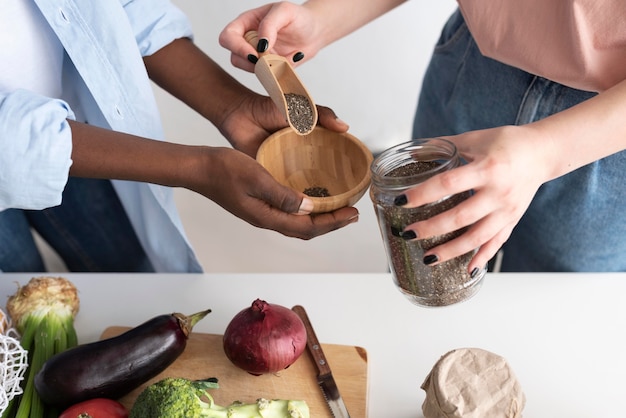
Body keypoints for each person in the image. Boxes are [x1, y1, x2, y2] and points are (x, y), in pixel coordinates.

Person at [219, 0, 626, 273]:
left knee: (548, 307)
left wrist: (546, 152)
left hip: (603, 133)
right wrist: (325, 17)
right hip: (477, 67)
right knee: (428, 273)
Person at [0, 0, 358, 273]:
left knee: (130, 268)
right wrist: (200, 168)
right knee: (20, 301)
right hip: (44, 145)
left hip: (84, 134)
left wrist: (233, 106)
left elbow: (119, 8)